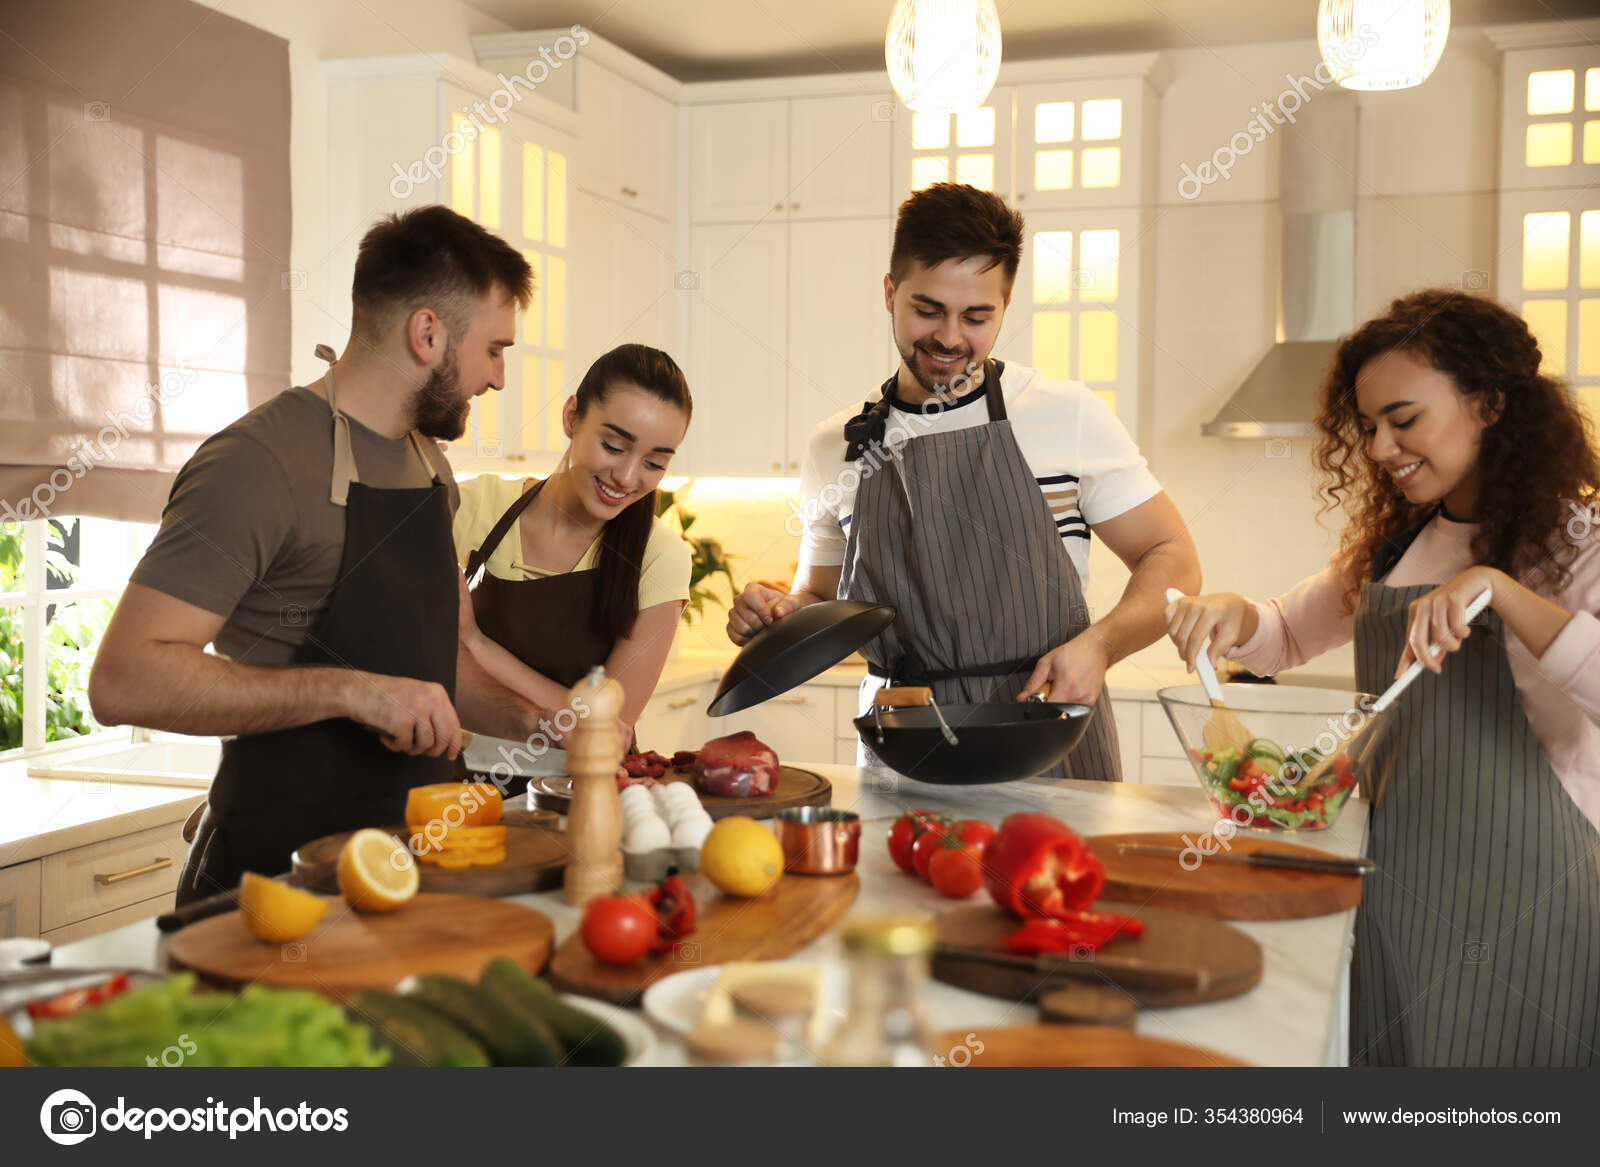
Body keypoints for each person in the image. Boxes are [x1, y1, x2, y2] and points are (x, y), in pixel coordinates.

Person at [1166, 289, 1600, 1066]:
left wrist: (1498, 589)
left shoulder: (1578, 541)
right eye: (1368, 426)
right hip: (1397, 879)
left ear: (1490, 403)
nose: (1379, 447)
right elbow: (1285, 633)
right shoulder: (1398, 545)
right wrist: (1233, 614)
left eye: (1403, 419)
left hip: (1535, 889)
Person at [89, 205, 562, 907]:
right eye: (495, 349)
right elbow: (123, 681)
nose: (498, 378)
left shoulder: (430, 467)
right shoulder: (257, 462)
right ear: (428, 334)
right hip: (278, 884)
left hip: (415, 870)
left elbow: (427, 669)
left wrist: (533, 723)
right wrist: (351, 691)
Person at [727, 183, 1199, 781]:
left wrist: (1101, 647)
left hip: (1043, 730)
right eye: (927, 310)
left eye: (976, 317)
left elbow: (1173, 557)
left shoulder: (1066, 415)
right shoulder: (835, 445)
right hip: (902, 748)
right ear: (890, 292)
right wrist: (777, 612)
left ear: (1006, 305)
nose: (950, 338)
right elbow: (820, 601)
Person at [453, 344, 692, 790]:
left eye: (654, 463)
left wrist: (475, 643)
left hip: (583, 797)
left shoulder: (659, 555)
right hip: (462, 782)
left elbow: (603, 726)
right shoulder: (474, 506)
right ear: (571, 418)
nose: (627, 477)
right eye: (614, 446)